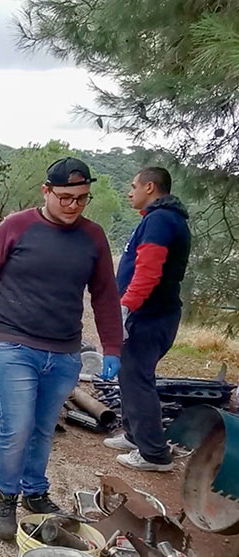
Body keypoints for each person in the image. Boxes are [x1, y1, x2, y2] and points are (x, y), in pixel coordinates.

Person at [0, 157, 123, 541]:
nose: (74, 205)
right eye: (65, 197)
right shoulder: (17, 226)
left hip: (63, 351)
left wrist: (113, 346)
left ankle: (34, 491)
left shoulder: (93, 237)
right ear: (46, 191)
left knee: (44, 428)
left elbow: (104, 295)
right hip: (13, 341)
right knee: (17, 426)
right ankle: (6, 497)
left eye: (82, 198)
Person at [104, 167, 190, 472]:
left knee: (137, 377)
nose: (130, 192)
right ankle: (134, 436)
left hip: (150, 315)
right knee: (130, 374)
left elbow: (149, 272)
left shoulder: (160, 220)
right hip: (151, 314)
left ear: (150, 187)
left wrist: (126, 306)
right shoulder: (160, 219)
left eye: (133, 186)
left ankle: (154, 454)